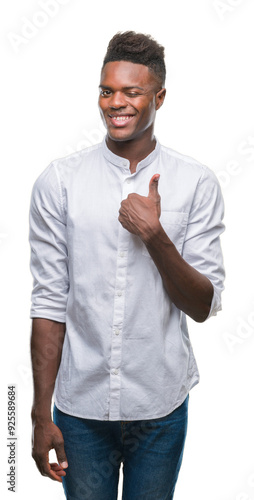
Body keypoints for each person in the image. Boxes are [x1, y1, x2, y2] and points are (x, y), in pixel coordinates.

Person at [29, 31, 225, 500]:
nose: (115, 102)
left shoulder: (196, 183)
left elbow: (202, 304)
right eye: (106, 90)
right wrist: (39, 415)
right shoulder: (59, 182)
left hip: (159, 405)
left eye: (131, 92)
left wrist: (155, 237)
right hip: (80, 409)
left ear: (159, 97)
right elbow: (48, 302)